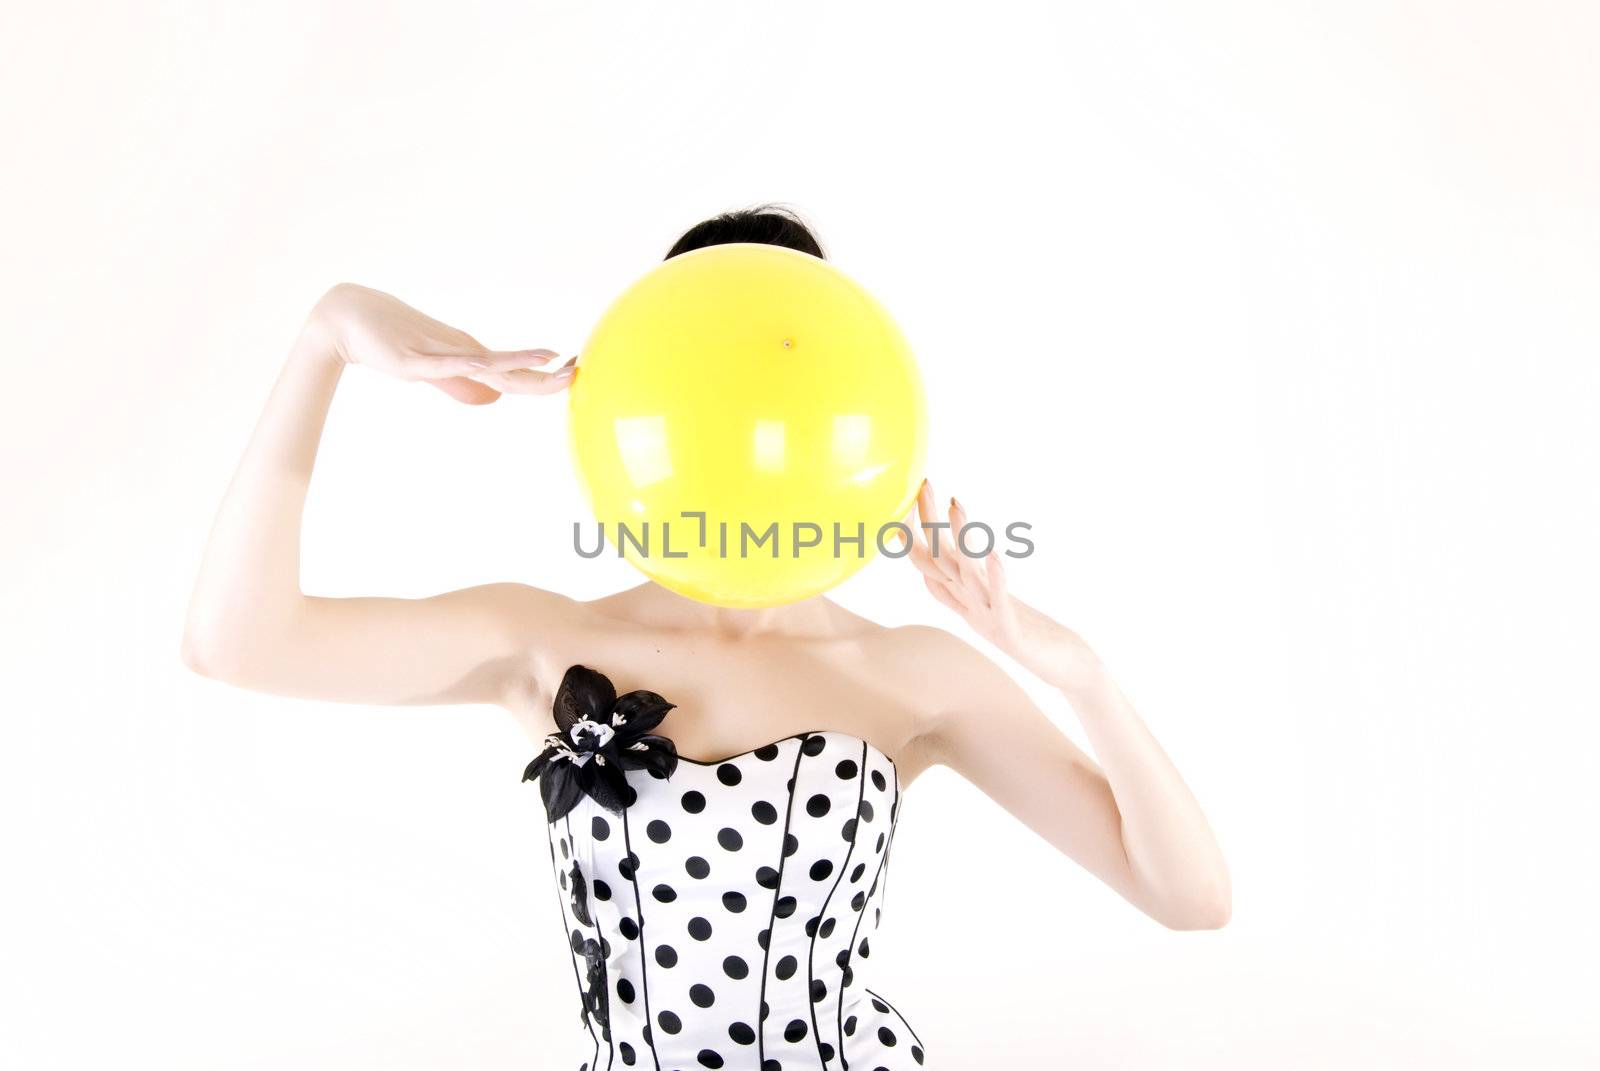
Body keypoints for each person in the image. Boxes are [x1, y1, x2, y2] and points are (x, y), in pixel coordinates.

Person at [182, 204, 1231, 1070]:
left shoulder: (912, 673)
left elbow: (1189, 900)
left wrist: (1077, 672)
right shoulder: (542, 643)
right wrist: (325, 338)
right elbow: (238, 644)